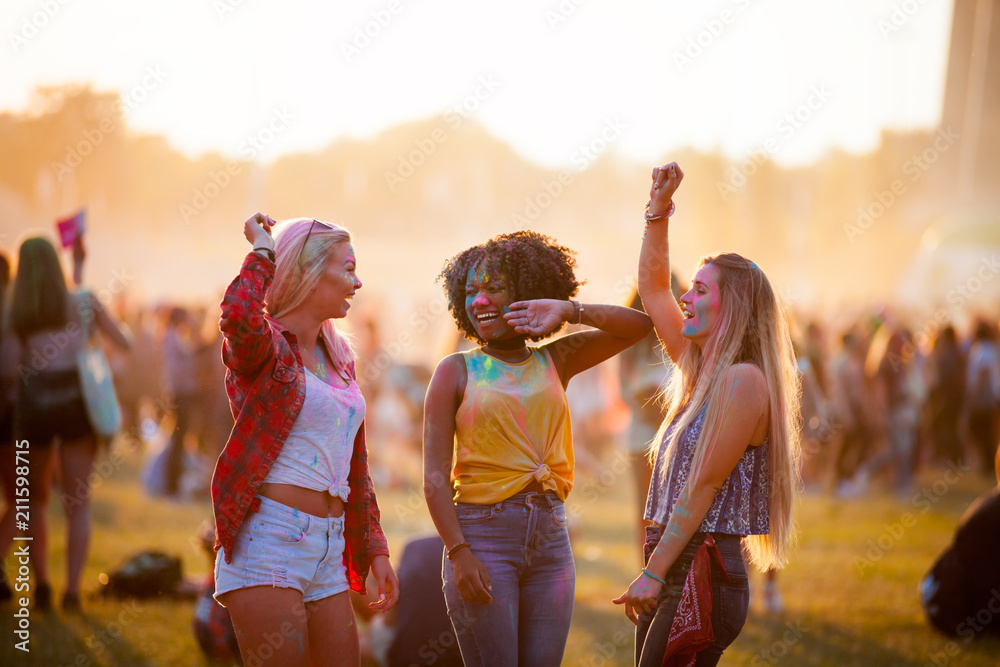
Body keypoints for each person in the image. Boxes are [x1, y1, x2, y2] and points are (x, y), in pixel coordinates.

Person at [422, 229, 653, 667]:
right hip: (482, 538)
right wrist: (458, 551)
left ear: (527, 294)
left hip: (551, 540)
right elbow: (434, 478)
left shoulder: (555, 360)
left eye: (494, 288)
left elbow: (639, 325)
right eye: (471, 291)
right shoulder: (454, 371)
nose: (480, 301)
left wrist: (570, 310)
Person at [613, 163, 801, 666]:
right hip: (680, 564)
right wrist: (658, 209)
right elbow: (653, 288)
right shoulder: (704, 372)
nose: (685, 297)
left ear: (732, 305)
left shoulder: (743, 381)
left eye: (699, 290)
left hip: (703, 568)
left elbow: (702, 488)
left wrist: (653, 572)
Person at [213, 213, 398, 667]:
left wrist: (375, 547)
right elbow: (238, 316)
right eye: (348, 268)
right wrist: (262, 252)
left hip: (329, 547)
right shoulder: (268, 349)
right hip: (269, 541)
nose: (357, 282)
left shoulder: (340, 359)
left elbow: (355, 466)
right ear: (309, 273)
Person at [5, 235, 131, 611]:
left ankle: (41, 585)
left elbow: (12, 370)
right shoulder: (81, 302)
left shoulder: (18, 315)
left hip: (34, 408)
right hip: (77, 405)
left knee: (33, 501)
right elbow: (124, 341)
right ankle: (72, 591)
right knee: (78, 502)